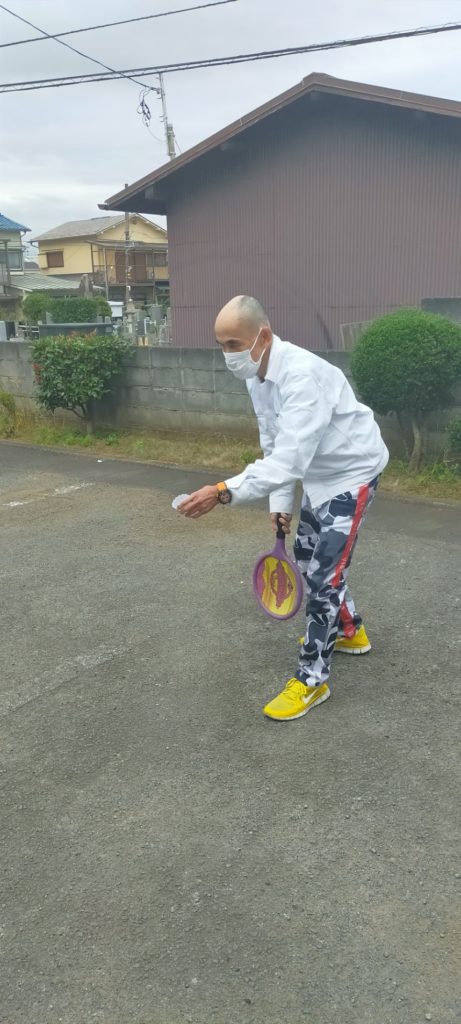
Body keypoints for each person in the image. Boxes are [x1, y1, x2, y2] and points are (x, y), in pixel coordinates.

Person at [179, 296, 389, 723]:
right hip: (318, 473)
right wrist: (279, 503)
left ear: (264, 336)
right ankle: (350, 630)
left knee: (324, 580)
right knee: (308, 558)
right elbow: (274, 443)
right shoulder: (258, 376)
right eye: (221, 345)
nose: (227, 355)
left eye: (234, 344)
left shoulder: (301, 376)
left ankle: (312, 680)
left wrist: (222, 491)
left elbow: (289, 460)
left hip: (351, 475)